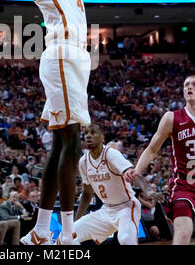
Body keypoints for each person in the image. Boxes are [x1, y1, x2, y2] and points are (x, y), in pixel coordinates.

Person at [8, 0, 90, 245]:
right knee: (72, 144)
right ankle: (68, 231)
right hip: (60, 56)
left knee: (61, 144)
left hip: (76, 60)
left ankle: (41, 230)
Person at [125, 75, 195, 245]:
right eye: (186, 85)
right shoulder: (172, 117)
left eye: (193, 84)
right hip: (183, 186)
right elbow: (152, 149)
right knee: (184, 230)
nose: (189, 87)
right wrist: (137, 169)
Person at [71, 123, 162, 246]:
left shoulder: (111, 154)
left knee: (125, 240)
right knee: (68, 236)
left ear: (102, 137)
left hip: (127, 207)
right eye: (86, 133)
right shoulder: (83, 162)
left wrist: (148, 191)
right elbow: (87, 193)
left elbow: (133, 174)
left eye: (93, 133)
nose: (88, 136)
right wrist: (76, 222)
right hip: (106, 210)